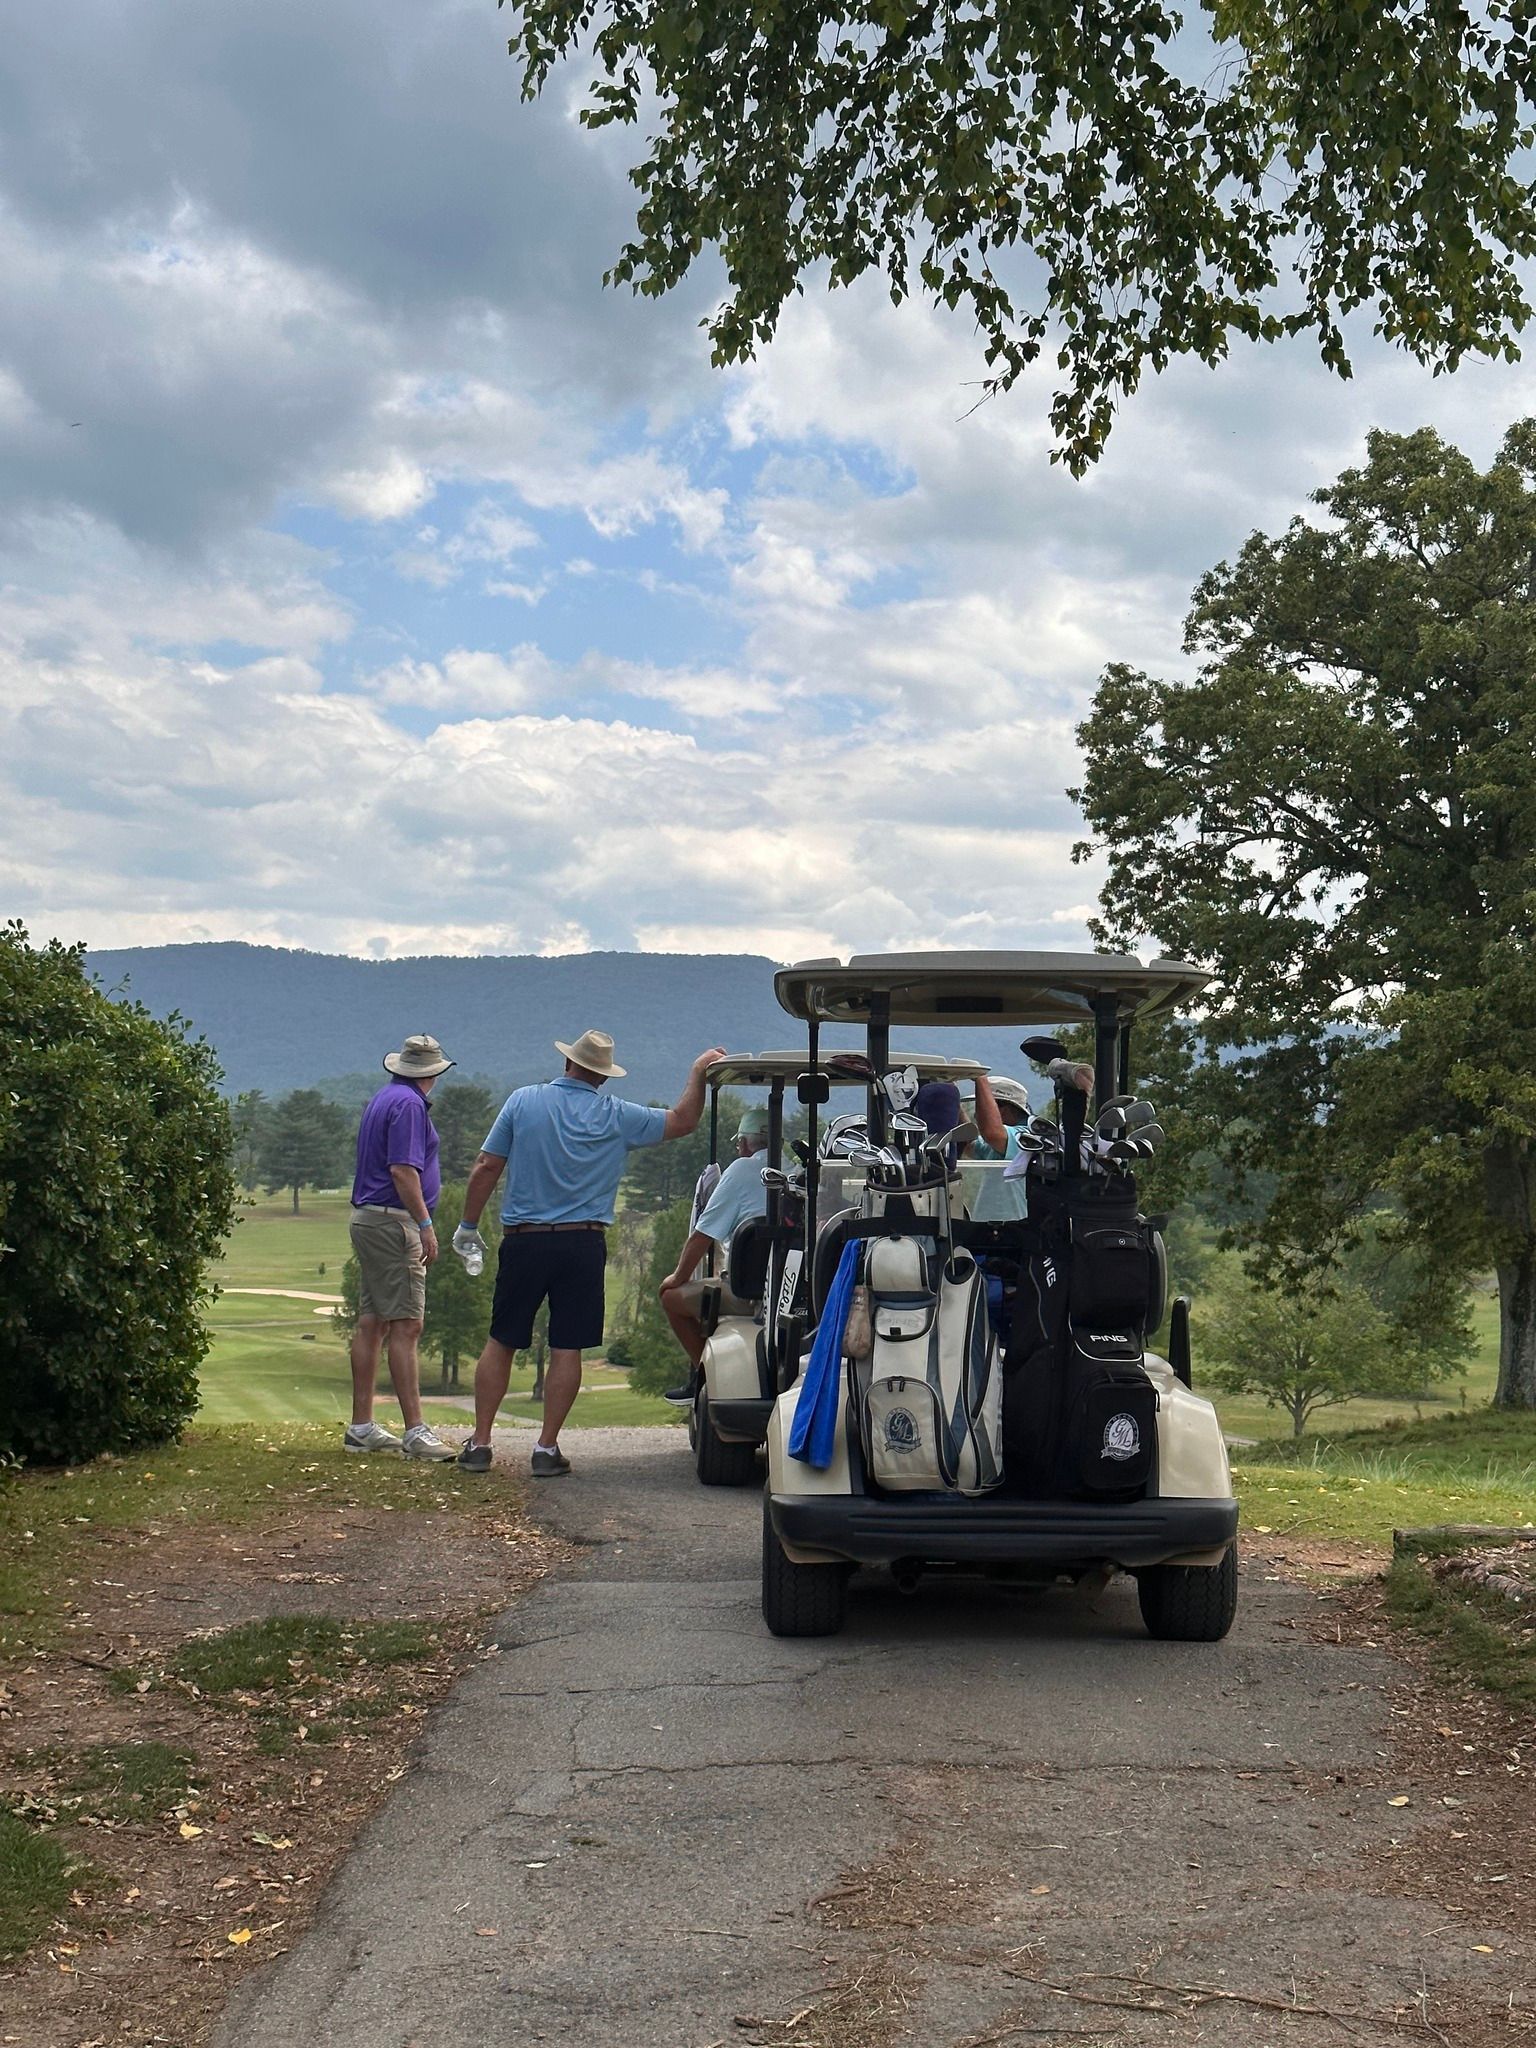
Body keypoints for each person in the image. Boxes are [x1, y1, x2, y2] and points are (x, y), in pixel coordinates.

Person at [452, 1029, 727, 1476]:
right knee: (567, 1346)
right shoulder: (616, 1114)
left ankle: (481, 1443)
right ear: (603, 1077)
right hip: (582, 1242)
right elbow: (683, 1120)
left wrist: (467, 1224)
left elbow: (487, 1165)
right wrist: (697, 1073)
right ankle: (545, 1449)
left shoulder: (522, 1101)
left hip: (524, 1239)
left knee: (502, 1340)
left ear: (567, 1064)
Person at [343, 1033, 458, 1462]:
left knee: (373, 1322)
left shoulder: (384, 1097)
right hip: (394, 1222)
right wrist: (426, 1224)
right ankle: (415, 1431)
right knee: (407, 1325)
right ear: (432, 1072)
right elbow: (403, 1171)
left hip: (370, 1219)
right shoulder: (410, 1106)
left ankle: (361, 1427)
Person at [657, 1105, 772, 1400]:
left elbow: (702, 1235)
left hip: (748, 1295)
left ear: (745, 1143)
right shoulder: (795, 1169)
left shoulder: (742, 1169)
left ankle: (703, 1378)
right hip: (787, 1292)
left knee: (671, 1299)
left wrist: (677, 1277)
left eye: (739, 1143)